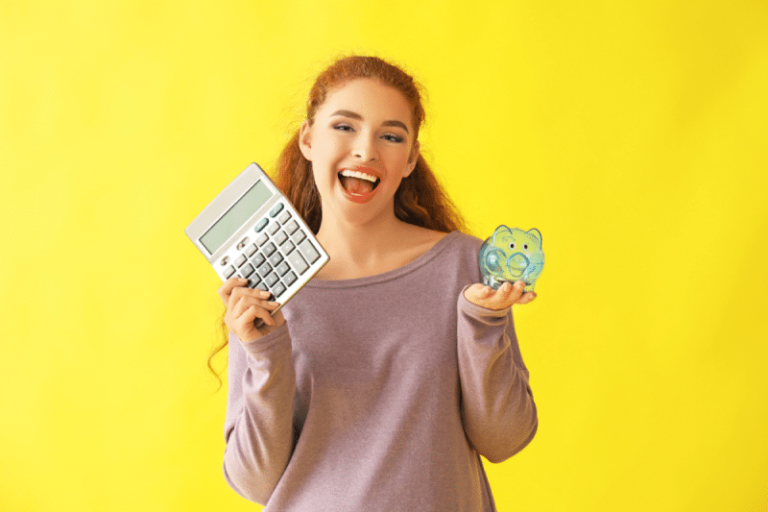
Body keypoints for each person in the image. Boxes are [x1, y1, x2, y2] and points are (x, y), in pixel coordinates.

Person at [215, 55, 538, 511]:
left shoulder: (466, 266)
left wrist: (482, 323)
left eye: (390, 135)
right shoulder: (264, 291)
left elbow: (505, 439)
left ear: (409, 160)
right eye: (344, 127)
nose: (366, 150)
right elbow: (254, 482)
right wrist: (266, 353)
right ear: (308, 139)